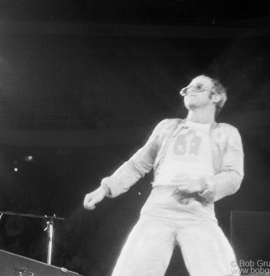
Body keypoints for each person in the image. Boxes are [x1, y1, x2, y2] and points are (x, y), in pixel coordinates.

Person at [83, 75, 244, 276]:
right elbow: (137, 163)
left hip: (198, 213)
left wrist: (201, 184)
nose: (191, 90)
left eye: (199, 87)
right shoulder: (167, 127)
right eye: (188, 87)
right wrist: (106, 188)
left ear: (216, 96)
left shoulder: (227, 133)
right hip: (157, 211)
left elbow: (233, 177)